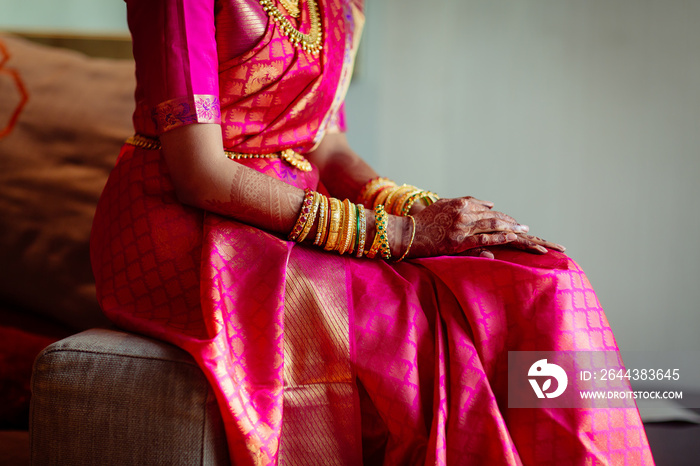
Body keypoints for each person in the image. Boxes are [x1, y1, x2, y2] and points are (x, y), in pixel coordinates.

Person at [90, 0, 654, 464]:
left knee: (543, 280)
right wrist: (399, 233)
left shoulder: (339, 4)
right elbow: (199, 173)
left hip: (298, 212)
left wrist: (421, 210)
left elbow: (324, 145)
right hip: (189, 227)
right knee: (410, 319)